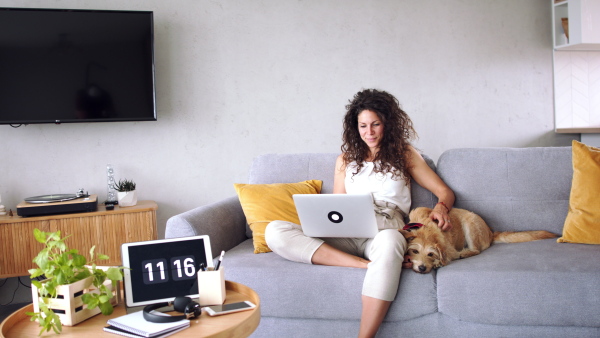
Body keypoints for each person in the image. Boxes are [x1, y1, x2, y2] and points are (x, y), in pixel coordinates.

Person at [265, 89, 455, 338]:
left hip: (385, 228)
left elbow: (444, 191)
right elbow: (337, 206)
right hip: (347, 229)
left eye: (375, 124)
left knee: (392, 241)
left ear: (388, 123)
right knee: (275, 231)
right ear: (355, 128)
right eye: (363, 125)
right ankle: (365, 266)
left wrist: (441, 207)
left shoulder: (404, 154)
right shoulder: (345, 160)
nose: (369, 132)